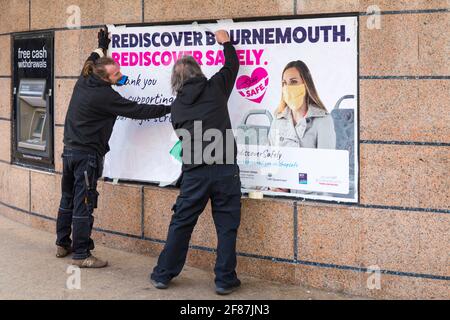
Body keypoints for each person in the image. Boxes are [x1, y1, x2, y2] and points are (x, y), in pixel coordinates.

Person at [55, 28, 171, 268]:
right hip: (87, 156)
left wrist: (102, 44)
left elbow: (94, 55)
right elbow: (138, 110)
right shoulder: (104, 96)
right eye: (116, 74)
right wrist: (170, 107)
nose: (121, 75)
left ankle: (62, 243)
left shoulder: (85, 76)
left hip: (69, 152)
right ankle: (81, 255)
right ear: (105, 77)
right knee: (83, 202)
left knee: (67, 198)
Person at [150, 30, 242, 295]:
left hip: (195, 173)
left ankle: (163, 274)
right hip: (225, 168)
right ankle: (225, 279)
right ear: (198, 71)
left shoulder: (177, 108)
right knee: (226, 225)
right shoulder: (215, 87)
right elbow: (232, 65)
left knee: (181, 223)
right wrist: (225, 41)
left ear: (175, 80)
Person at [268, 60, 336, 193]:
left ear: (306, 84)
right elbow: (269, 161)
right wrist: (274, 185)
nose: (287, 87)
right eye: (284, 83)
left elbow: (326, 170)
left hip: (310, 197)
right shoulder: (278, 120)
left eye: (293, 82)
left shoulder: (323, 120)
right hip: (280, 196)